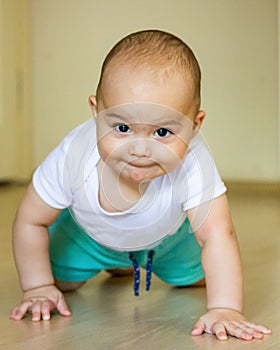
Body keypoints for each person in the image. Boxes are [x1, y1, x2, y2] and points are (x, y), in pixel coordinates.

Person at [10, 29, 271, 341]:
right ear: (96, 112)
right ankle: (114, 264)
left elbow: (217, 233)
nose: (140, 149)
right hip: (87, 238)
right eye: (122, 127)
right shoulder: (72, 157)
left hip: (169, 244)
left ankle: (132, 263)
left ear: (194, 125)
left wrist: (226, 307)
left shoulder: (194, 162)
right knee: (58, 284)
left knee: (203, 277)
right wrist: (37, 286)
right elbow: (31, 219)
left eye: (162, 132)